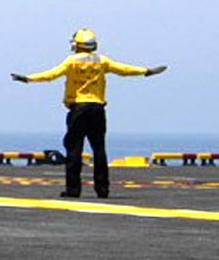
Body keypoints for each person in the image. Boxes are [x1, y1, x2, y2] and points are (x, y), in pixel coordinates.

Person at [12, 28, 166, 199]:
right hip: (97, 109)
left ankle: (73, 189)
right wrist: (146, 71)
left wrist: (28, 79)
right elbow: (124, 69)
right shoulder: (102, 61)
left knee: (74, 149)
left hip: (78, 108)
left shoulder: (71, 61)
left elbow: (51, 74)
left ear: (77, 44)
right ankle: (102, 189)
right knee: (99, 149)